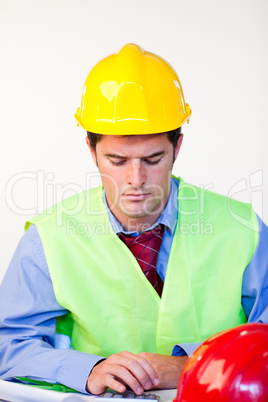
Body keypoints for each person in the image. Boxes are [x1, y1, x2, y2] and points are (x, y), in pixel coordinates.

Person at [0, 43, 267, 396]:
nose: (136, 180)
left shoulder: (242, 228)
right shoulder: (48, 238)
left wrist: (192, 364)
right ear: (91, 151)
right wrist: (88, 369)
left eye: (153, 159)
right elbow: (9, 344)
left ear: (178, 147)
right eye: (117, 160)